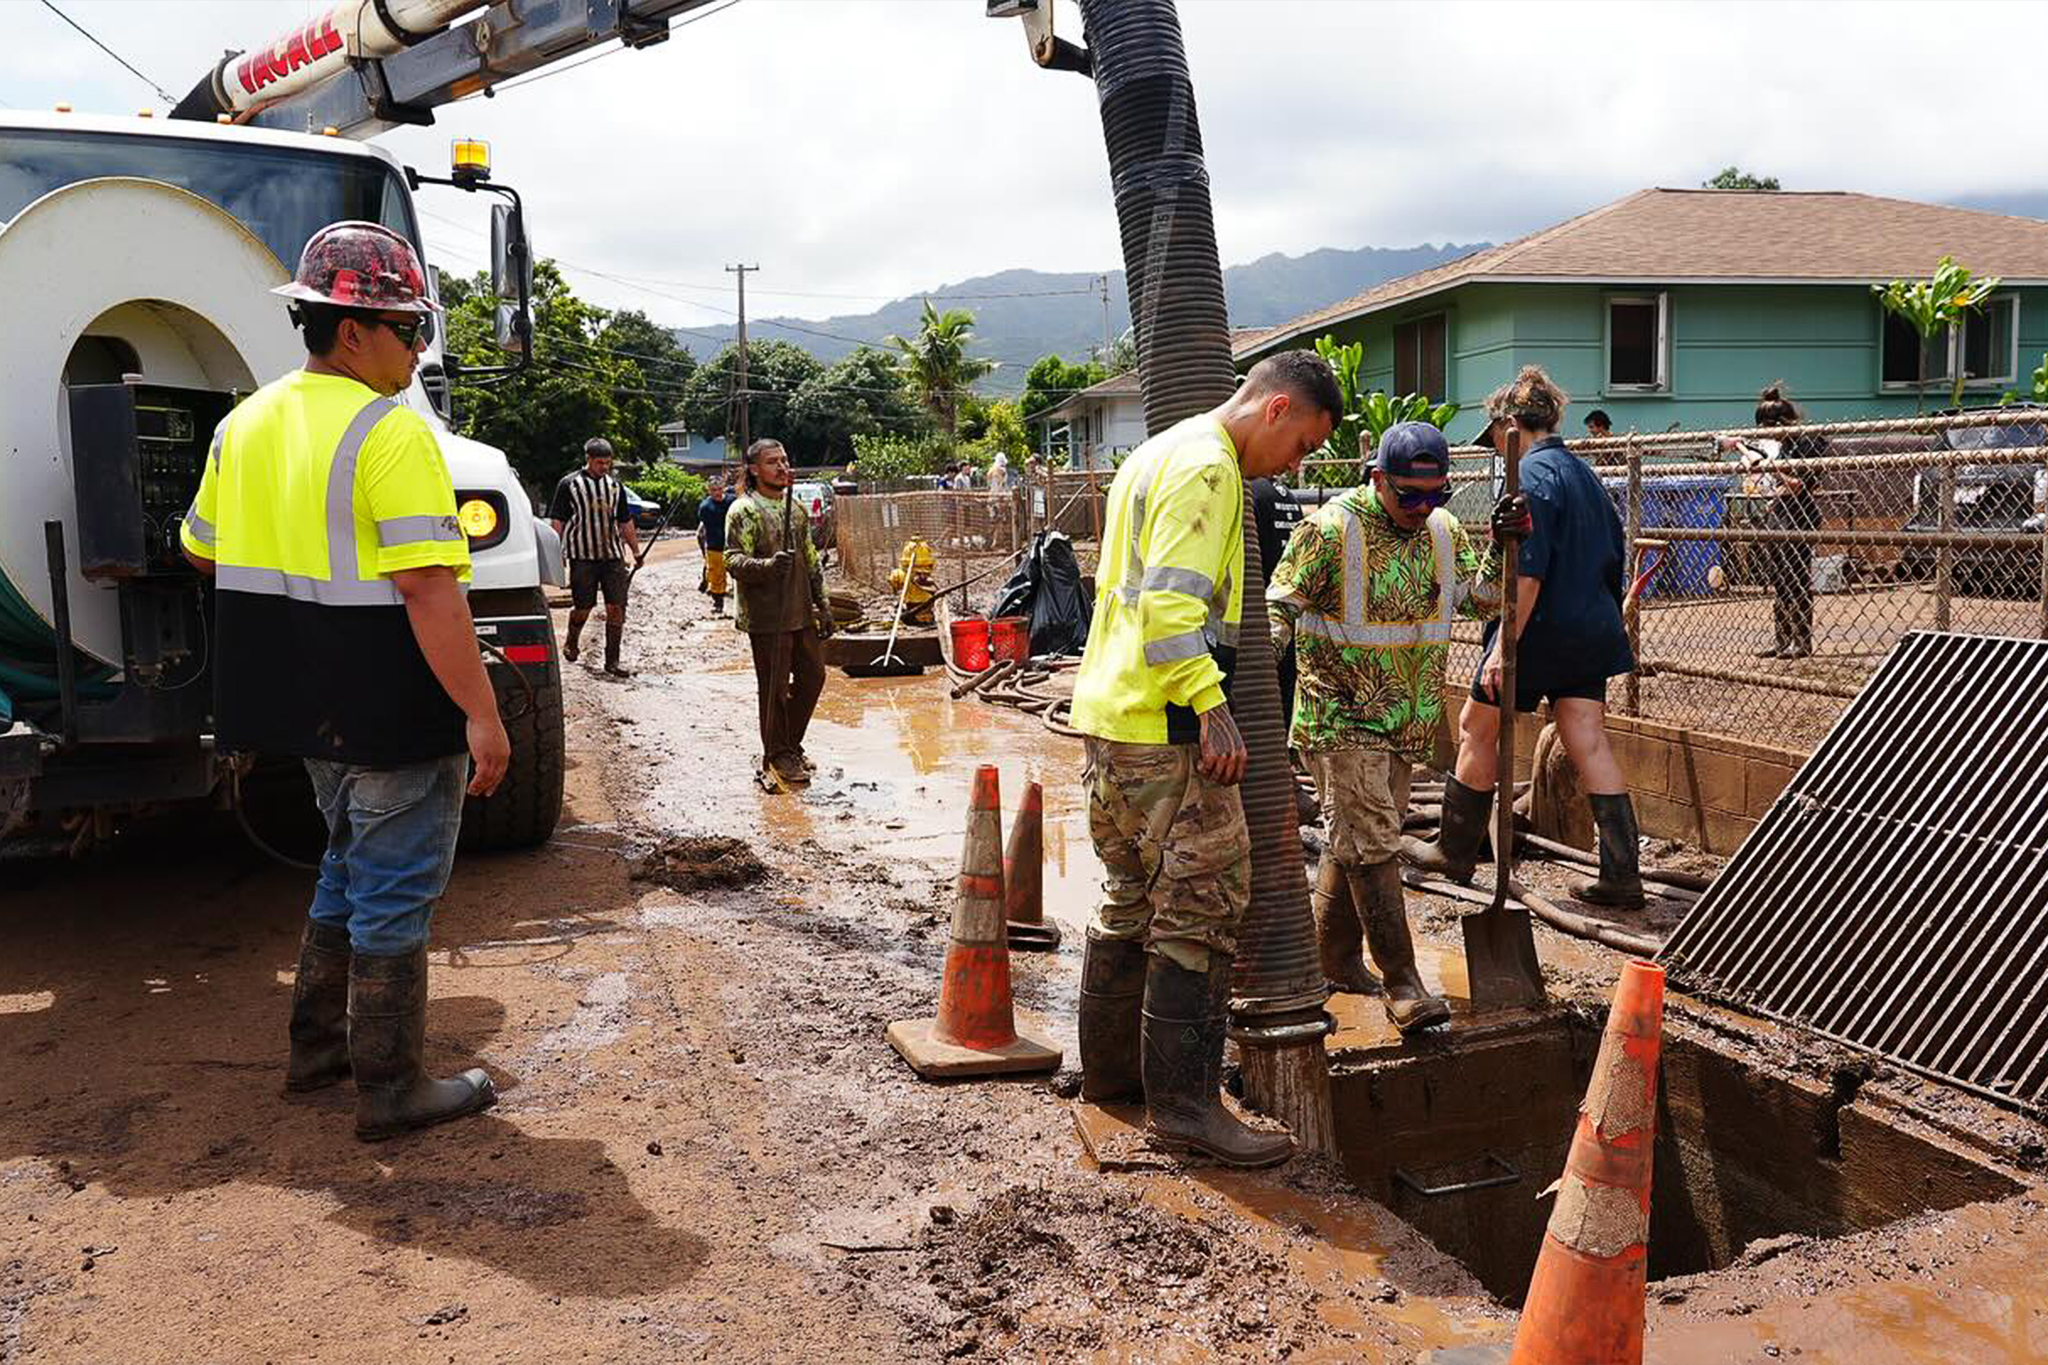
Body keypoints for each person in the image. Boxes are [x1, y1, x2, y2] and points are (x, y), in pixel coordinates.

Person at [178, 220, 505, 1142]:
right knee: (396, 884)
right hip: (387, 699)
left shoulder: (241, 423)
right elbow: (427, 587)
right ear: (353, 329)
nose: (419, 350)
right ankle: (392, 1085)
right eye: (411, 329)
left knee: (346, 864)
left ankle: (316, 1052)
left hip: (298, 701)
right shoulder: (387, 431)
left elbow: (198, 551)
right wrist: (482, 713)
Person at [1071, 349, 1341, 1169]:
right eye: (1301, 446)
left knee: (1132, 897)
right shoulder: (1210, 469)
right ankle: (1185, 1109)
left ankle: (1115, 1079)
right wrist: (1213, 707)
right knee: (1204, 902)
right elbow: (1168, 609)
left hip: (1112, 714)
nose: (1293, 465)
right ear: (1278, 409)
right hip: (1164, 724)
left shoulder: (1157, 450)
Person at [1269, 423, 1526, 1030]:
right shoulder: (1330, 530)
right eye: (1409, 496)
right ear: (1378, 478)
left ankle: (1332, 960)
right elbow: (1279, 609)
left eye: (1434, 495)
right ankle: (1402, 980)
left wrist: (1506, 545)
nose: (1422, 509)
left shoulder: (1443, 529)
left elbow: (1485, 598)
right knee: (1376, 844)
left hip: (1408, 721)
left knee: (1354, 842)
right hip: (1341, 717)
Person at [1405, 366, 1642, 907]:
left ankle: (1455, 850)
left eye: (1492, 436)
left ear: (1510, 424)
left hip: (1535, 629)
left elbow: (1526, 574)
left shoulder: (1529, 476)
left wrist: (1502, 646)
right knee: (1586, 736)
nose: (1491, 447)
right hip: (1589, 629)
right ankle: (1622, 874)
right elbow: (1612, 560)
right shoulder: (1587, 478)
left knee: (1476, 725)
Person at [724, 438, 833, 792]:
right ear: (754, 470)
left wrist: (824, 604)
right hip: (767, 614)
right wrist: (768, 566)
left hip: (800, 610)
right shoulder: (744, 510)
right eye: (773, 462)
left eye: (785, 461)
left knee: (813, 677)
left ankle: (790, 743)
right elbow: (733, 560)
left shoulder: (795, 509)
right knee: (772, 689)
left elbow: (812, 560)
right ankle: (777, 753)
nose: (782, 467)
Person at [1718, 383, 1824, 659]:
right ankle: (1782, 640)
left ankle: (1802, 641)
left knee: (1796, 576)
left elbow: (1800, 485)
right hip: (1777, 512)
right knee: (1778, 577)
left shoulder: (1805, 442)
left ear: (1783, 423)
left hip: (1799, 513)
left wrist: (1772, 470)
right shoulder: (1777, 446)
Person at [548, 437, 642, 676]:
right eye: (600, 462)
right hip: (582, 556)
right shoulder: (569, 484)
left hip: (612, 556)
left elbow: (625, 521)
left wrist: (635, 550)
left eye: (608, 463)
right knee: (583, 607)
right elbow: (558, 520)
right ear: (588, 459)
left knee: (616, 607)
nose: (604, 467)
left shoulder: (615, 487)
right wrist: (556, 551)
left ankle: (613, 662)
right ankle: (572, 639)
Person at [697, 475, 738, 618]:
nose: (717, 492)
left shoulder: (733, 502)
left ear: (724, 488)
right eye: (714, 490)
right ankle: (718, 603)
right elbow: (702, 531)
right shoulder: (705, 507)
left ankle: (741, 604)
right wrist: (704, 549)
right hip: (714, 546)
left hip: (733, 545)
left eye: (719, 489)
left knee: (738, 574)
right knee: (716, 575)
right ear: (709, 491)